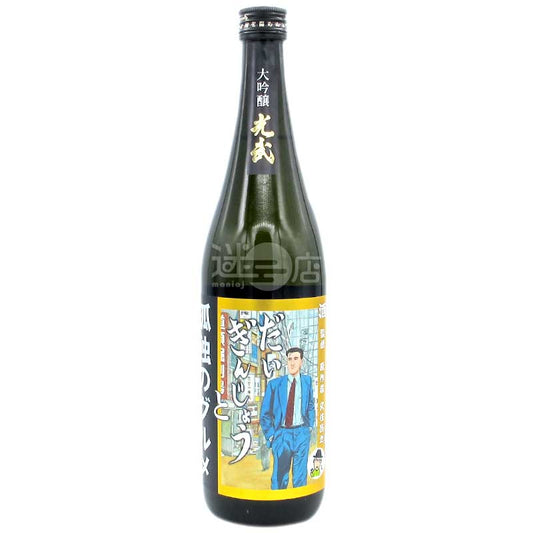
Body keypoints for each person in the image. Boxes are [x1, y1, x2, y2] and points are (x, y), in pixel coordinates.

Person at [260, 347, 315, 489]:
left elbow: (310, 405)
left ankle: (301, 501)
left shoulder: (307, 381)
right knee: (279, 479)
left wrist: (309, 427)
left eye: (296, 358)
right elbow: (265, 413)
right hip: (282, 435)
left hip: (302, 433)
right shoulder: (275, 385)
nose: (292, 362)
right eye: (289, 359)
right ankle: (276, 502)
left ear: (301, 361)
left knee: (300, 478)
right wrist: (271, 436)